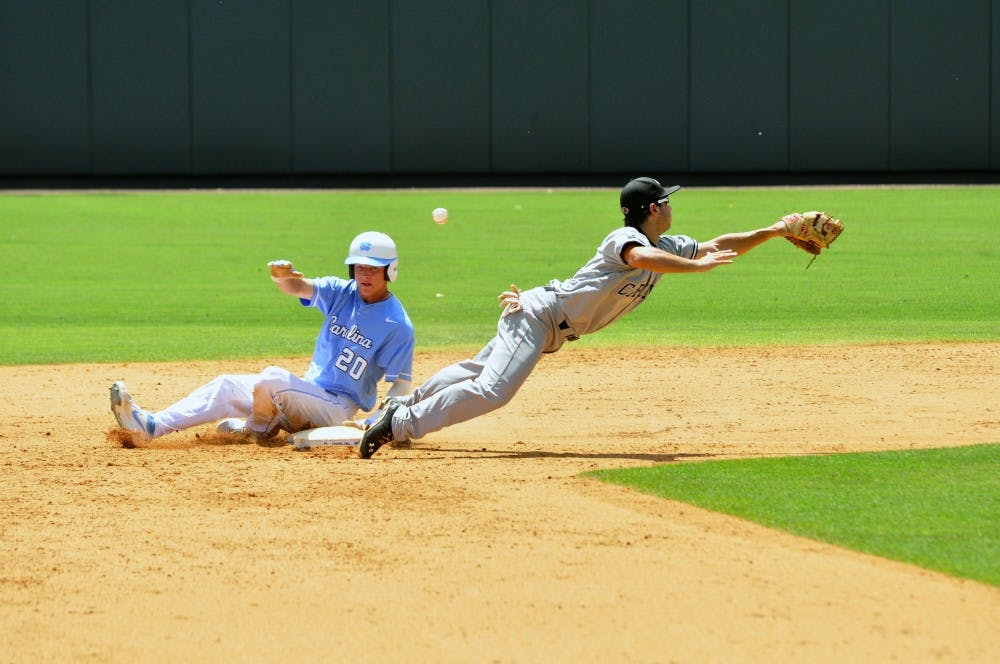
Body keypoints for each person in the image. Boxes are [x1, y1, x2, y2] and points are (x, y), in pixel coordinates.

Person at [358, 177, 801, 458]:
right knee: (493, 389)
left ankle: (404, 404)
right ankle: (399, 424)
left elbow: (719, 244)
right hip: (539, 316)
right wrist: (696, 268)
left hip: (545, 321)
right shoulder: (625, 239)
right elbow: (641, 257)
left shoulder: (667, 246)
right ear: (651, 210)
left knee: (476, 370)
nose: (670, 207)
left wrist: (775, 230)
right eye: (665, 201)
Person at [110, 231, 415, 442]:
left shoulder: (396, 323)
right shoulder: (341, 292)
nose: (364, 274)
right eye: (359, 267)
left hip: (337, 409)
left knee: (271, 380)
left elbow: (399, 383)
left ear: (390, 270)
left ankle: (255, 430)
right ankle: (151, 426)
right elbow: (297, 287)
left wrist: (378, 422)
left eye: (373, 269)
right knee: (226, 385)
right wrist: (281, 276)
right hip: (308, 392)